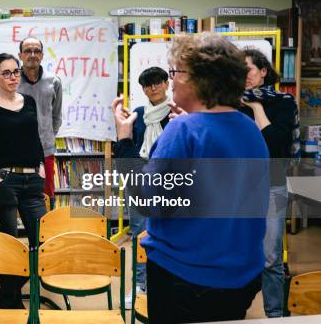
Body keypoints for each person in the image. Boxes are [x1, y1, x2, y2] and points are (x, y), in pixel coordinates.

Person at [113, 33, 270, 323]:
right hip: (240, 277)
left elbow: (146, 201)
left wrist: (123, 141)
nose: (171, 80)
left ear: (199, 79)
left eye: (175, 72)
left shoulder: (184, 130)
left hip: (186, 278)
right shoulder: (249, 128)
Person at [0, 53, 47, 309]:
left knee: (43, 243)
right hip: (3, 179)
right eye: (6, 73)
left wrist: (41, 167)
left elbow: (34, 138)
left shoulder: (28, 102)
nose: (13, 77)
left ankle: (5, 299)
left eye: (16, 72)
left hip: (32, 181)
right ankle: (13, 304)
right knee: (9, 245)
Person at [240, 48, 298, 318]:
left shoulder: (284, 103)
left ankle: (275, 315)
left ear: (263, 71)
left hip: (272, 186)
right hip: (237, 189)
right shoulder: (229, 102)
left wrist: (256, 107)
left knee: (271, 258)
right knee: (236, 252)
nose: (244, 75)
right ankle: (235, 310)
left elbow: (274, 144)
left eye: (249, 69)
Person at [112, 66, 171, 309]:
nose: (153, 88)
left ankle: (166, 285)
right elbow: (128, 149)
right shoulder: (137, 114)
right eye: (148, 85)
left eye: (157, 82)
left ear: (167, 83)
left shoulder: (176, 113)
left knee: (170, 232)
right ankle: (139, 285)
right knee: (140, 232)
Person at [17, 36, 62, 207]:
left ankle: (46, 232)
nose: (32, 54)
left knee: (46, 195)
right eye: (28, 51)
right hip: (17, 151)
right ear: (20, 55)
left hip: (45, 150)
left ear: (42, 55)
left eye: (36, 51)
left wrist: (46, 135)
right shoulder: (12, 81)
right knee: (19, 194)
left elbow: (56, 117)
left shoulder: (54, 81)